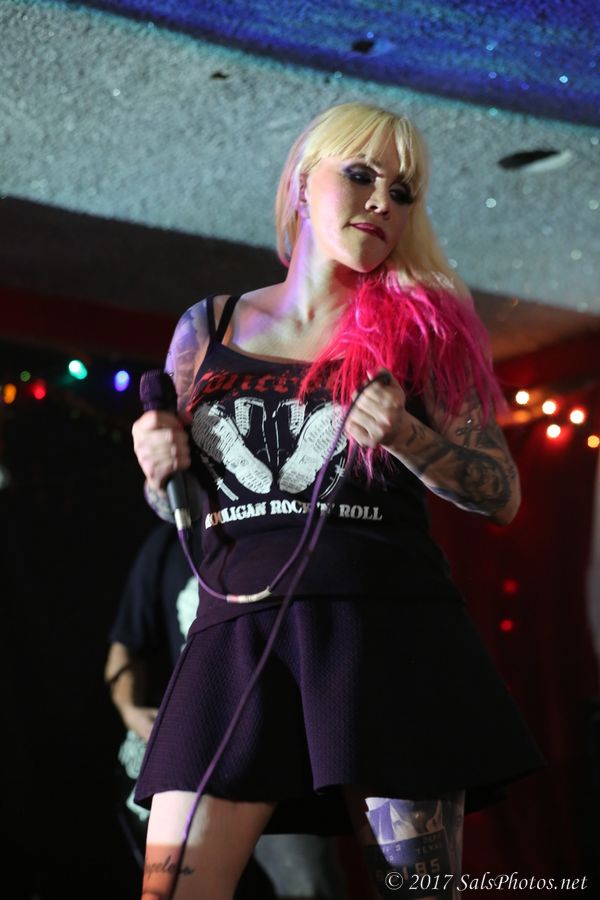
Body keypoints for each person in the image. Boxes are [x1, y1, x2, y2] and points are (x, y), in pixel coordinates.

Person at [130, 101, 544, 899]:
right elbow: (172, 508)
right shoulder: (207, 325)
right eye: (360, 175)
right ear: (300, 183)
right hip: (235, 637)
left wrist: (408, 436)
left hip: (384, 634)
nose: (382, 201)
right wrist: (158, 468)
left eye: (403, 192)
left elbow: (502, 495)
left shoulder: (422, 327)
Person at [105, 523, 348, 899]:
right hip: (199, 755)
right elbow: (124, 647)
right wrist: (131, 710)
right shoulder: (168, 544)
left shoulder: (270, 528)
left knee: (305, 883)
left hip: (276, 751)